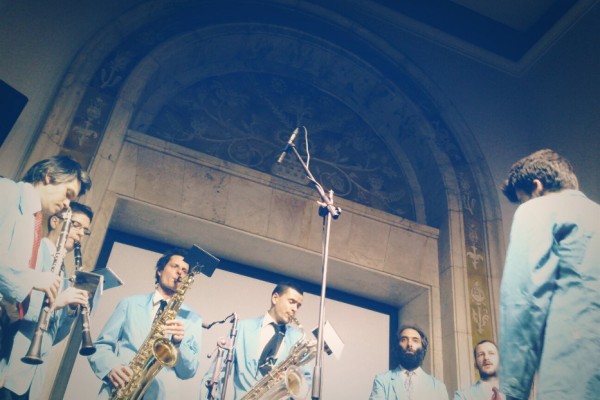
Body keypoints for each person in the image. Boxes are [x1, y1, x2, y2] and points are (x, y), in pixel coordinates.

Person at [499, 149, 600, 400]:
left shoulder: (538, 208)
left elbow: (524, 298)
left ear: (537, 187)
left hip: (575, 373)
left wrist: (512, 389)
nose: (524, 205)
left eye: (522, 200)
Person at [0, 202, 93, 399]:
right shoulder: (32, 253)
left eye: (85, 230)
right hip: (9, 365)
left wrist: (70, 309)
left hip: (32, 378)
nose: (80, 234)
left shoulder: (64, 273)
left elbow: (54, 336)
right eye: (76, 225)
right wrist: (57, 302)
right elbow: (14, 305)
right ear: (55, 221)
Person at [88, 248, 203, 399]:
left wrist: (178, 344)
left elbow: (188, 371)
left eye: (184, 270)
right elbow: (101, 345)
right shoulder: (129, 304)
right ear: (160, 271)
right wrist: (110, 367)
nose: (180, 273)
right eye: (175, 266)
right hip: (121, 389)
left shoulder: (193, 319)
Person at [0, 155, 91, 317]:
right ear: (49, 176)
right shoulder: (6, 190)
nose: (67, 204)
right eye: (68, 193)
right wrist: (31, 279)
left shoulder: (33, 220)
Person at [201, 281, 311, 399]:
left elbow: (304, 383)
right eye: (291, 302)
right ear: (275, 298)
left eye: (298, 306)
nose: (295, 309)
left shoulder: (298, 338)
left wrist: (288, 381)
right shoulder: (241, 328)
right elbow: (216, 374)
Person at [369, 325, 448, 400]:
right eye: (404, 339)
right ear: (397, 346)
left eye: (415, 340)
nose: (409, 344)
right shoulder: (382, 380)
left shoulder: (439, 387)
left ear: (423, 348)